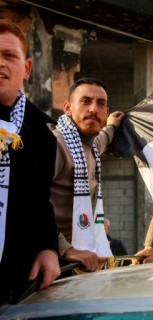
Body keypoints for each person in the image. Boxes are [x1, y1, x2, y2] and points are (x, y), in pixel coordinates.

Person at [0, 19, 60, 304]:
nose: (0, 63)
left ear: (25, 69)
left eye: (9, 56)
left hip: (14, 289)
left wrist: (48, 248)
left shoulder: (41, 133)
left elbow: (40, 202)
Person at [50, 77, 125, 272]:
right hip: (52, 262)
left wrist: (112, 126)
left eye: (100, 103)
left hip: (80, 261)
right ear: (67, 108)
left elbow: (103, 139)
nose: (93, 109)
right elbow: (27, 203)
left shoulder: (90, 147)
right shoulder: (55, 146)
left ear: (106, 112)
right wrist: (65, 249)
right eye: (85, 101)